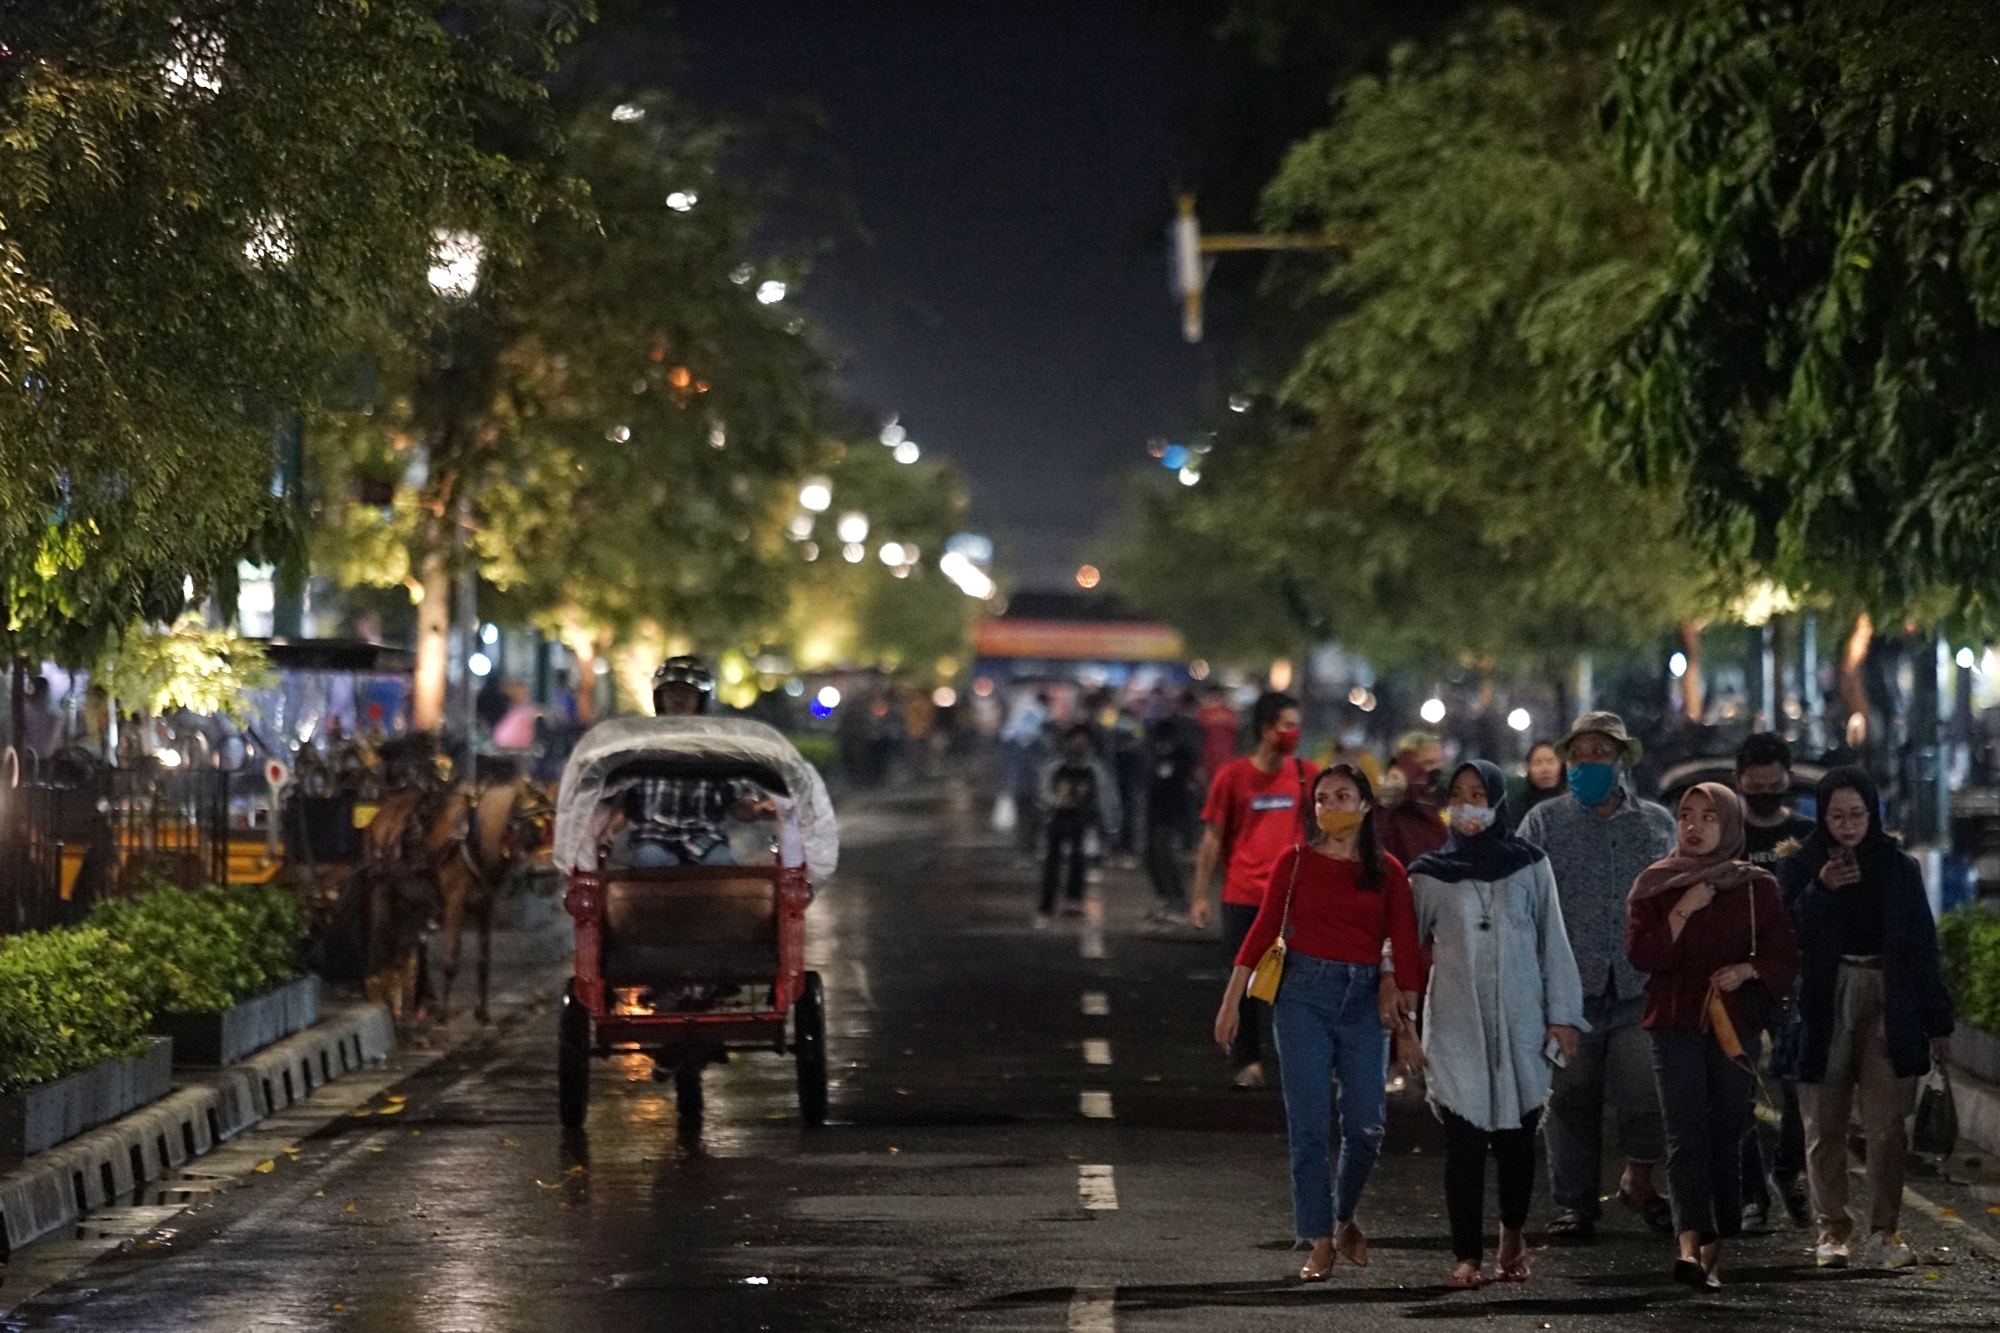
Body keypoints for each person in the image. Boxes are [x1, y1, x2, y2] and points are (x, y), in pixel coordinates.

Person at [1213, 764, 1427, 1280]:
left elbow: (1406, 946)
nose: (1331, 807)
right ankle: (1319, 1237)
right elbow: (1263, 929)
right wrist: (1230, 1000)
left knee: (1367, 1125)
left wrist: (1409, 1027)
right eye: (1322, 798)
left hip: (1364, 1004)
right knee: (1308, 1127)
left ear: (1366, 805)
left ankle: (1344, 1214)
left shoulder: (1389, 871)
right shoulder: (1295, 862)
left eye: (1343, 796)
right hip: (1301, 996)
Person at [1408, 761, 1585, 1289]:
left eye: (1478, 794)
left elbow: (1552, 939)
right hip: (1457, 1019)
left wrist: (1563, 1016)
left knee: (1516, 1136)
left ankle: (1512, 1231)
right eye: (1458, 794)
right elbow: (1403, 945)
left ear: (1498, 801)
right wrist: (1402, 1020)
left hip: (1522, 1018)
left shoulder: (1531, 865)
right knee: (1463, 1140)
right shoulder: (1429, 873)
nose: (1468, 804)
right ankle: (1466, 1255)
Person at [1781, 766, 1955, 1270]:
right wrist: (1821, 889)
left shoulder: (1898, 867)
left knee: (1887, 1126)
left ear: (1873, 813)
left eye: (1857, 814)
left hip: (1889, 995)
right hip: (1824, 995)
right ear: (1822, 816)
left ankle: (1885, 1231)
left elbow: (1923, 945)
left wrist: (1938, 1023)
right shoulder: (1802, 863)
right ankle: (1832, 1229)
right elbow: (1785, 931)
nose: (1848, 825)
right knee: (1824, 1122)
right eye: (1836, 815)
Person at [1627, 784, 1797, 1291]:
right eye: (1685, 816)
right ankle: (1687, 1244)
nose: (1695, 827)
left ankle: (1715, 1247)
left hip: (1732, 1024)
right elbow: (1643, 956)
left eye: (1708, 817)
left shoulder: (1756, 887)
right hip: (1673, 1020)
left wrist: (1747, 972)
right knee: (1684, 1133)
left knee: (1727, 1129)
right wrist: (1685, 908)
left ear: (1730, 825)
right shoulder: (1656, 884)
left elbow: (1784, 955)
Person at [1517, 710, 1676, 1240]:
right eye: (1578, 755)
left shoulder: (1656, 823)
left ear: (1621, 761)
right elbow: (1523, 896)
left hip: (1637, 984)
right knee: (1570, 1098)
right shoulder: (1543, 823)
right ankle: (1576, 1203)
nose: (1587, 764)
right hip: (1568, 989)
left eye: (1599, 755)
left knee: (1644, 1092)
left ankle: (1639, 1180)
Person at [1189, 692, 1318, 1089]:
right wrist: (1199, 897)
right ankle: (1247, 1061)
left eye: (1296, 724)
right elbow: (1213, 838)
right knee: (1243, 979)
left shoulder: (1307, 775)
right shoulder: (1232, 778)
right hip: (1243, 895)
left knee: (1295, 982)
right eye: (1286, 724)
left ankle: (1296, 1060)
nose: (1293, 732)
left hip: (1293, 898)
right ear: (1265, 729)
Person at [1732, 732, 1818, 1230]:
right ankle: (1751, 1196)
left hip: (1793, 977)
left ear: (1787, 780)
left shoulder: (1807, 837)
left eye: (1773, 783)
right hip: (1736, 976)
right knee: (1738, 1088)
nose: (1765, 790)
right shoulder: (1727, 836)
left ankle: (1787, 1171)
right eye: (1755, 783)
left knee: (1795, 1085)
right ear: (1739, 782)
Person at [608, 657, 774, 867]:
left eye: (687, 692)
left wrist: (759, 810)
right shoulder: (641, 746)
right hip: (652, 837)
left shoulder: (717, 747)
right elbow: (623, 803)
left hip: (707, 839)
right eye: (672, 691)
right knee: (651, 863)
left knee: (724, 865)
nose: (679, 698)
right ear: (660, 698)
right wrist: (607, 832)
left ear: (700, 699)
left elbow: (738, 802)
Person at [1037, 724, 1120, 924]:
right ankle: (1047, 901)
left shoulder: (1093, 767)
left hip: (1082, 819)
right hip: (1057, 818)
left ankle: (1073, 900)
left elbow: (1104, 795)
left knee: (1078, 859)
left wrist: (1110, 823)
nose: (1078, 743)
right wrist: (1055, 802)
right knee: (1052, 862)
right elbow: (1044, 789)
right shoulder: (1056, 765)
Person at [1142, 695, 1204, 922]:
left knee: (1164, 854)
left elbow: (1189, 786)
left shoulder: (1182, 758)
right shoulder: (1154, 757)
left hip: (1174, 812)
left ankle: (1176, 900)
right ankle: (1166, 898)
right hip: (1156, 812)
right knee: (1152, 855)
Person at [1376, 731, 1449, 867]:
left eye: (1439, 762)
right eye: (1428, 763)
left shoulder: (1443, 797)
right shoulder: (1398, 801)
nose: (1436, 769)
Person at [1506, 740, 1567, 826]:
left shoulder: (1572, 802)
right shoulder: (1517, 807)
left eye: (1551, 762)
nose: (1545, 769)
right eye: (1538, 763)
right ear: (1529, 769)